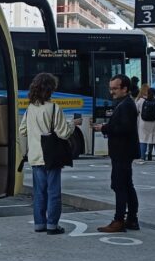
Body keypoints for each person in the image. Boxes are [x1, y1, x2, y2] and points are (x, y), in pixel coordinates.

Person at [19, 73, 81, 235]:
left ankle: (39, 223)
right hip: (51, 157)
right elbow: (64, 133)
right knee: (53, 192)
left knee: (39, 192)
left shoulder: (30, 108)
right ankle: (52, 225)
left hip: (35, 157)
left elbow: (22, 130)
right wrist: (72, 124)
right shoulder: (54, 108)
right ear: (50, 89)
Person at [93, 74, 141, 233]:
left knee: (119, 185)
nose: (111, 92)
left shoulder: (126, 105)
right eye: (110, 88)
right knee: (127, 184)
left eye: (115, 88)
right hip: (123, 151)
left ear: (124, 89)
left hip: (122, 151)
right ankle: (132, 219)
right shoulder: (124, 103)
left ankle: (119, 220)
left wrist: (104, 128)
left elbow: (125, 129)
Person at [136, 88, 155, 163]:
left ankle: (142, 158)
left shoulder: (140, 101)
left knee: (143, 140)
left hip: (143, 124)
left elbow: (135, 111)